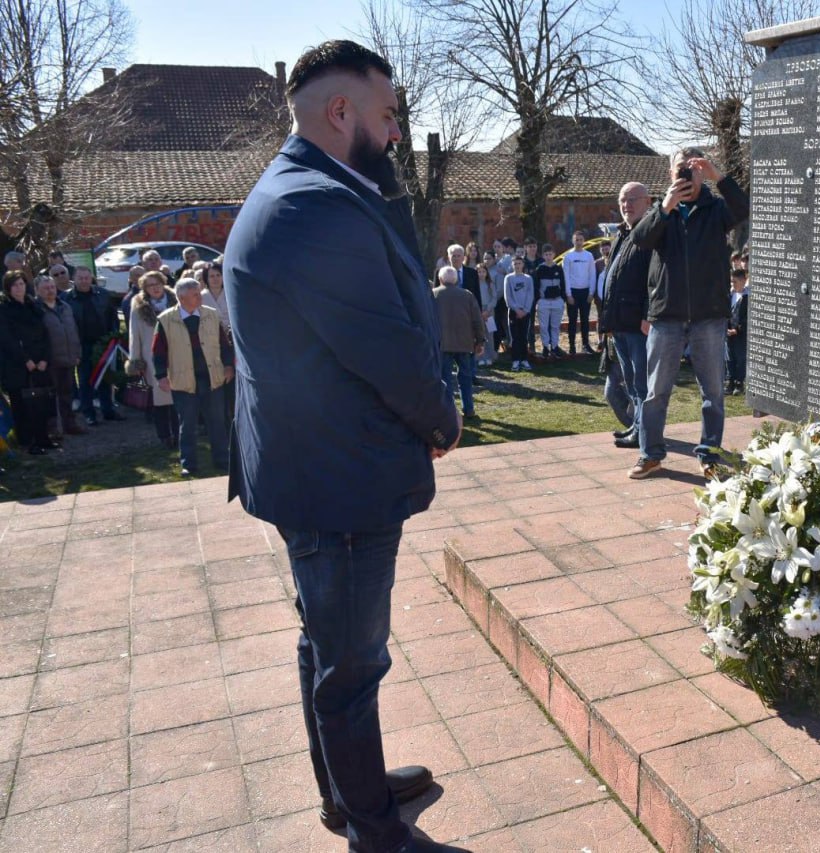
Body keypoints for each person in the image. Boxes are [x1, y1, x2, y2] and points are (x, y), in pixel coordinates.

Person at [222, 39, 464, 853]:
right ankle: (375, 830)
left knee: (327, 647)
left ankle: (346, 790)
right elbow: (386, 349)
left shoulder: (304, 187)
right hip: (340, 478)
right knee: (351, 668)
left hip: (318, 467)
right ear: (340, 111)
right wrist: (441, 422)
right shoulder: (313, 207)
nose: (395, 132)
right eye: (387, 115)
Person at [629, 148, 748, 479]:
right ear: (670, 174)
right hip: (667, 316)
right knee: (656, 392)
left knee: (713, 392)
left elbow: (743, 208)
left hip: (709, 315)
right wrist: (665, 208)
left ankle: (709, 454)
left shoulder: (716, 209)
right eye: (680, 168)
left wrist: (718, 176)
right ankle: (651, 454)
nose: (686, 175)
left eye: (694, 169)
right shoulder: (661, 210)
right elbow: (640, 239)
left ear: (702, 174)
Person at [152, 278, 232, 476]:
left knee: (217, 422)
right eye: (195, 294)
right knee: (187, 425)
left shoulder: (211, 315)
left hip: (212, 378)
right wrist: (161, 376)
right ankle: (188, 464)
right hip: (183, 381)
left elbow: (224, 344)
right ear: (181, 297)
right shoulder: (165, 320)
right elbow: (158, 351)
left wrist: (229, 365)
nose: (200, 297)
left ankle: (223, 460)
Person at [598, 182, 653, 450]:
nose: (626, 205)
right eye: (622, 199)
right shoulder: (622, 233)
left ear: (648, 202)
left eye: (632, 199)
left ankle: (644, 433)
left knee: (641, 384)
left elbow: (656, 279)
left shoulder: (650, 233)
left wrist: (648, 315)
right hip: (620, 323)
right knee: (631, 383)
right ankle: (637, 426)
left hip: (638, 325)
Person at [0, 271, 57, 453]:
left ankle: (43, 438)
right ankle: (28, 442)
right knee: (22, 406)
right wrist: (26, 360)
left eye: (21, 284)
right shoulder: (4, 309)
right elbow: (7, 339)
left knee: (41, 403)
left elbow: (45, 334)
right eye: (15, 285)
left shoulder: (33, 305)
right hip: (17, 365)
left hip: (40, 363)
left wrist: (44, 358)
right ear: (8, 288)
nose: (19, 288)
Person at [127, 271, 179, 448]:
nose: (155, 288)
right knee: (160, 399)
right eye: (150, 285)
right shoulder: (138, 306)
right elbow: (134, 334)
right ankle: (164, 436)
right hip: (152, 356)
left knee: (178, 397)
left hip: (177, 354)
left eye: (157, 283)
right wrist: (136, 360)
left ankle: (179, 434)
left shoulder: (176, 299)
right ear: (145, 288)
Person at [67, 266, 124, 425]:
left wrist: (113, 338)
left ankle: (108, 410)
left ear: (91, 278)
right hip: (82, 345)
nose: (84, 281)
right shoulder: (66, 298)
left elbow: (113, 318)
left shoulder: (103, 294)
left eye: (87, 277)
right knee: (85, 380)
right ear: (74, 279)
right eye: (80, 278)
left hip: (103, 343)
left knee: (105, 378)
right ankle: (89, 413)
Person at [34, 274, 84, 437]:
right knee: (49, 397)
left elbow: (73, 330)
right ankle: (53, 429)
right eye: (45, 288)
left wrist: (77, 353)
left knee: (67, 395)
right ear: (37, 290)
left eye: (52, 287)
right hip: (49, 361)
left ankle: (70, 424)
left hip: (68, 359)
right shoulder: (35, 309)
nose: (50, 291)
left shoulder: (65, 306)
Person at [433, 266, 485, 418]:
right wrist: (480, 340)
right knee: (465, 378)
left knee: (445, 379)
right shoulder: (467, 295)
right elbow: (477, 320)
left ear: (440, 279)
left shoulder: (433, 295)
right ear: (456, 280)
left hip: (442, 343)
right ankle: (468, 409)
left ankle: (449, 411)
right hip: (464, 343)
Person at [199, 260, 235, 421]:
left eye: (218, 275)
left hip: (232, 342)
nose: (215, 279)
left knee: (232, 382)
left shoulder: (231, 292)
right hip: (211, 344)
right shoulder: (201, 297)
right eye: (211, 276)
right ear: (206, 278)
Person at [561, 230, 596, 356]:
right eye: (577, 240)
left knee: (585, 319)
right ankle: (572, 346)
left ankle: (586, 344)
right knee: (572, 320)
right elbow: (566, 277)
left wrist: (591, 292)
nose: (579, 242)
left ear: (584, 241)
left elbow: (592, 275)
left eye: (581, 240)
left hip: (586, 292)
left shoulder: (589, 256)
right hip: (573, 293)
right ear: (573, 241)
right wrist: (568, 294)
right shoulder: (568, 256)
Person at [533, 243, 566, 358]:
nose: (548, 256)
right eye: (546, 254)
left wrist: (562, 299)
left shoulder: (558, 268)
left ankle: (555, 347)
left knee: (555, 326)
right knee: (543, 326)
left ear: (554, 254)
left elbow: (563, 284)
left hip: (557, 301)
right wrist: (538, 300)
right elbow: (536, 286)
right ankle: (545, 347)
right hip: (544, 301)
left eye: (550, 254)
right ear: (543, 256)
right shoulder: (540, 269)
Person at [504, 255, 534, 371]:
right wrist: (516, 310)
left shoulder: (528, 278)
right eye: (515, 263)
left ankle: (524, 360)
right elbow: (508, 297)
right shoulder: (508, 278)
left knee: (524, 337)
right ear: (512, 265)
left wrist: (525, 310)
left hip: (525, 312)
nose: (517, 266)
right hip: (513, 312)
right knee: (515, 337)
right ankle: (515, 361)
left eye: (519, 263)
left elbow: (530, 295)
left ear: (523, 264)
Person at [726, 267, 749, 395]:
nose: (733, 284)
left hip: (740, 334)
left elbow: (746, 318)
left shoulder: (747, 297)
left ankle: (739, 383)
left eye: (735, 281)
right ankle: (730, 382)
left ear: (742, 281)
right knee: (729, 358)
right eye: (732, 281)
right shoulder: (730, 295)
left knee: (740, 359)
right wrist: (727, 328)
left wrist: (737, 329)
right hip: (729, 333)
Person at [474, 260, 498, 366]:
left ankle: (489, 356)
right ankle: (480, 357)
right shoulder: (475, 285)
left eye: (483, 271)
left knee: (490, 335)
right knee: (479, 335)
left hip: (489, 312)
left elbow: (494, 298)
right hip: (478, 311)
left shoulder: (490, 284)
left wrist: (487, 310)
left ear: (487, 273)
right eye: (479, 272)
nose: (481, 274)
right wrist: (479, 310)